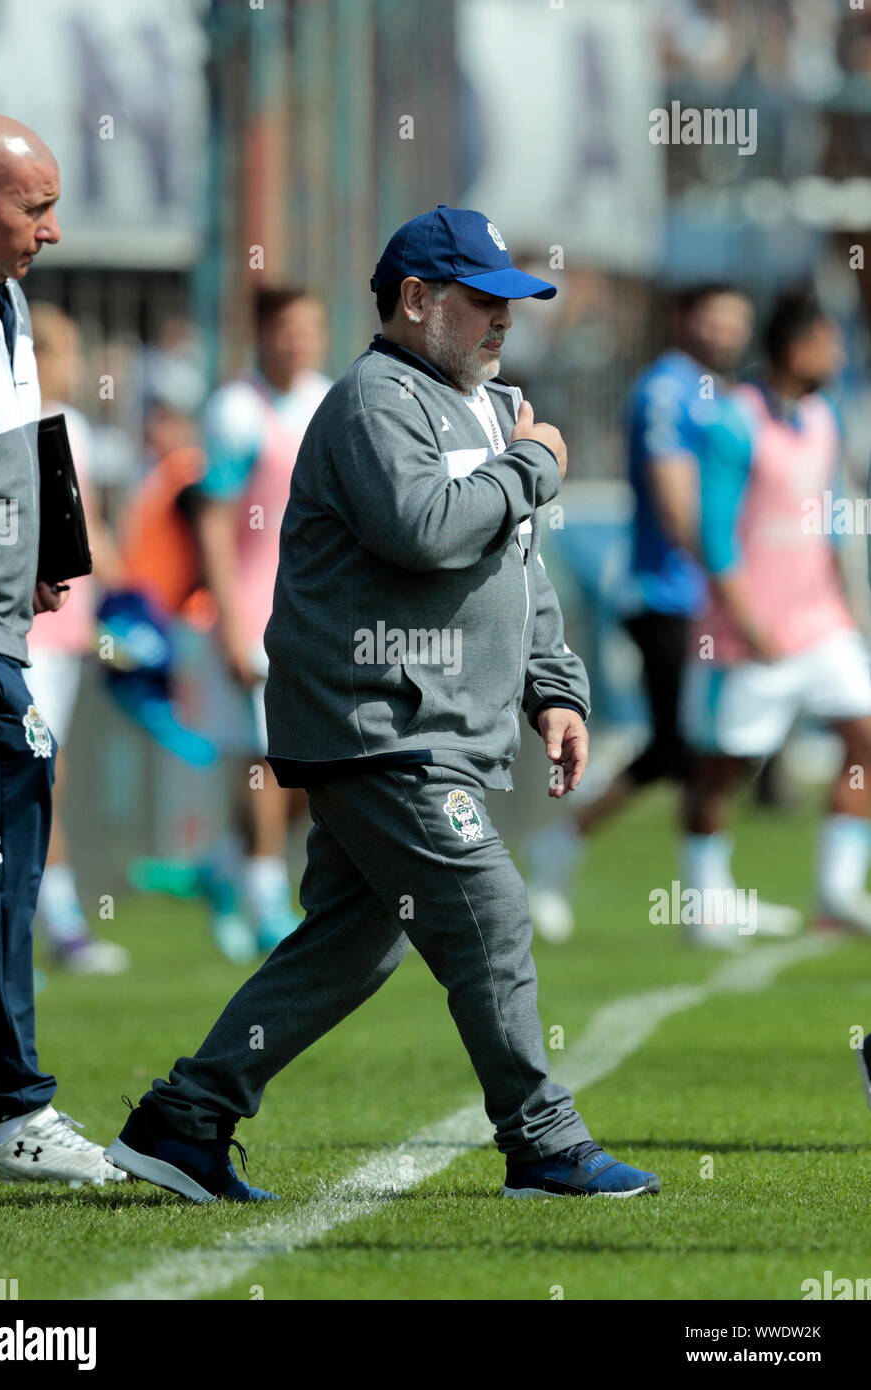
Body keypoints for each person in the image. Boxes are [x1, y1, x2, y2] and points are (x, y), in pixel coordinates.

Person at [106, 205, 661, 1202]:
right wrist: (534, 463)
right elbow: (422, 529)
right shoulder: (374, 398)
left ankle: (185, 1117)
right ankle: (541, 1141)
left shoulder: (492, 408)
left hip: (434, 726)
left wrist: (554, 686)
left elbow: (516, 564)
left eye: (512, 303)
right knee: (487, 909)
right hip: (378, 720)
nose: (502, 320)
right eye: (480, 300)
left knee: (351, 947)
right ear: (414, 299)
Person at [0, 113, 125, 1185]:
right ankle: (18, 1114)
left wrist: (33, 555)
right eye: (35, 207)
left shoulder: (3, 299)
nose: (52, 232)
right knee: (0, 852)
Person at [525, 283, 759, 943]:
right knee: (680, 746)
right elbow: (674, 496)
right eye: (714, 317)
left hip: (704, 591)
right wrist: (723, 577)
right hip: (667, 591)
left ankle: (704, 896)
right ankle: (685, 892)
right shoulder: (667, 388)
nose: (726, 331)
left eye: (736, 320)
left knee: (698, 745)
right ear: (683, 318)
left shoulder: (720, 394)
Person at [135, 289, 330, 958]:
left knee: (317, 768)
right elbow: (214, 521)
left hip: (318, 616)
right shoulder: (235, 411)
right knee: (268, 762)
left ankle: (222, 867)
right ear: (261, 332)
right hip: (254, 611)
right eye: (286, 328)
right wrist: (230, 623)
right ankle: (270, 902)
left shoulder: (326, 401)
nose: (299, 340)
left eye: (310, 327)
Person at [681, 291, 871, 942]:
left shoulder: (824, 418)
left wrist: (849, 606)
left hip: (821, 624)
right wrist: (749, 621)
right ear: (797, 350)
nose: (838, 355)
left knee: (866, 738)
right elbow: (714, 533)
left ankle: (838, 890)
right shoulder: (735, 421)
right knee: (721, 767)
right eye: (828, 343)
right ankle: (705, 903)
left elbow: (831, 525)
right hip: (751, 634)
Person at [25, 302, 129, 975]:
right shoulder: (15, 424)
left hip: (65, 638)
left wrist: (132, 609)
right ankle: (55, 926)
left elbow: (87, 531)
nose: (75, 366)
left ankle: (49, 921)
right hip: (25, 633)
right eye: (60, 352)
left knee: (38, 777)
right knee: (28, 775)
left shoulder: (76, 430)